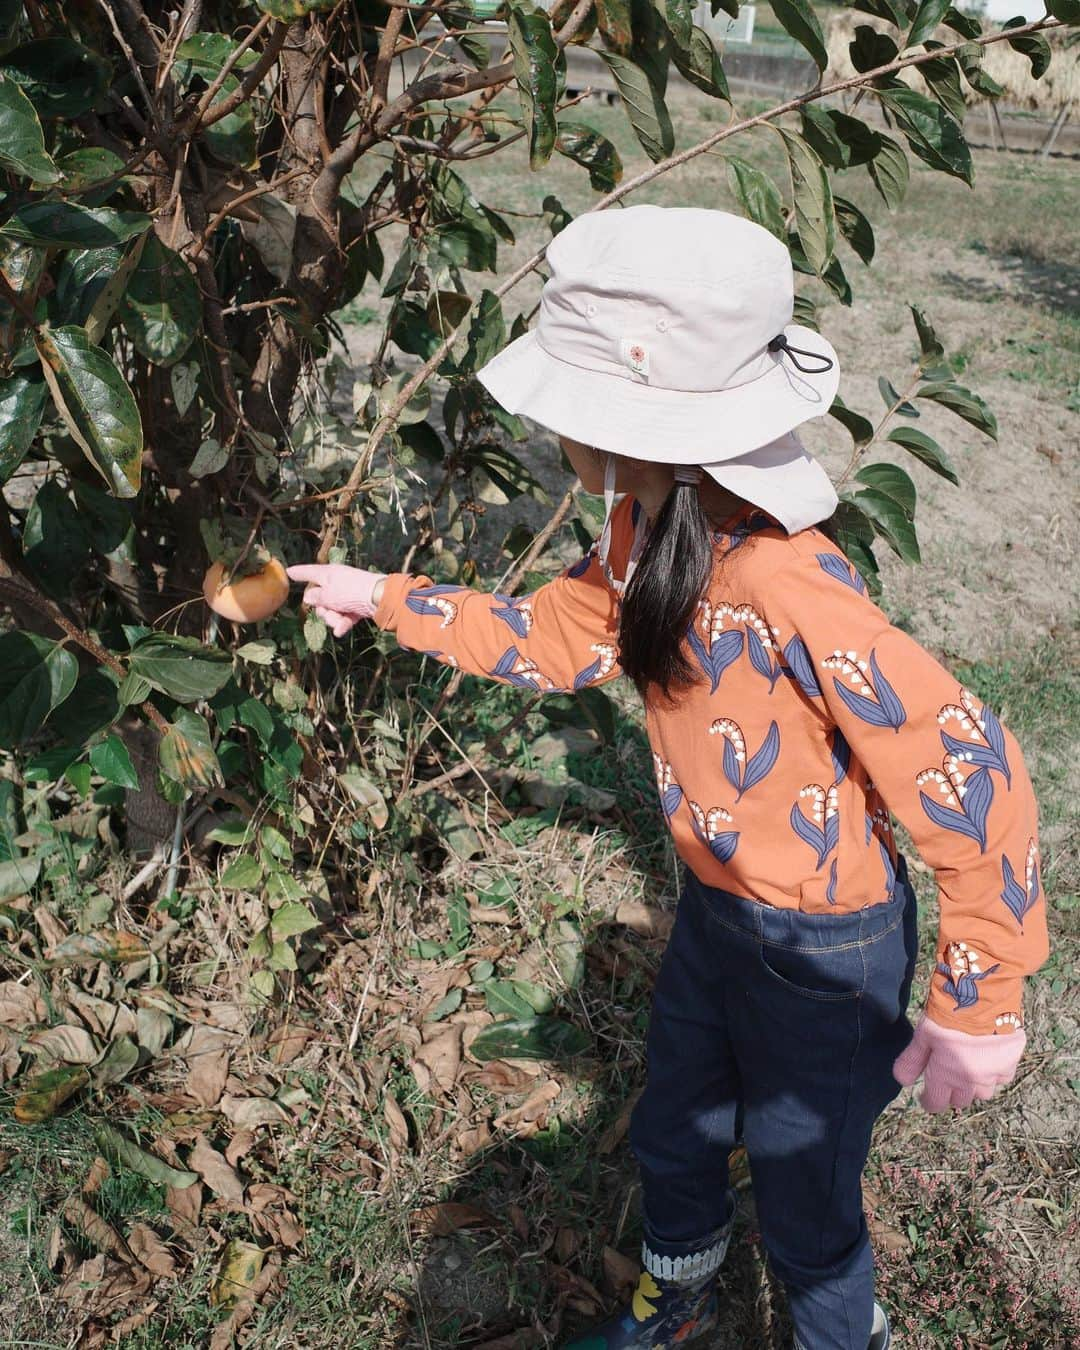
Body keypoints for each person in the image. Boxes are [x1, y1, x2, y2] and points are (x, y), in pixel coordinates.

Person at [287, 207, 1048, 1350]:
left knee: (808, 1202)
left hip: (829, 951)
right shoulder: (648, 537)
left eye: (567, 414)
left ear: (638, 427)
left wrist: (981, 997)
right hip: (719, 919)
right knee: (676, 1133)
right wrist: (385, 598)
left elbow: (967, 766)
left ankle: (843, 1336)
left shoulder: (787, 582)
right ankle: (679, 1302)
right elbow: (558, 643)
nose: (555, 435)